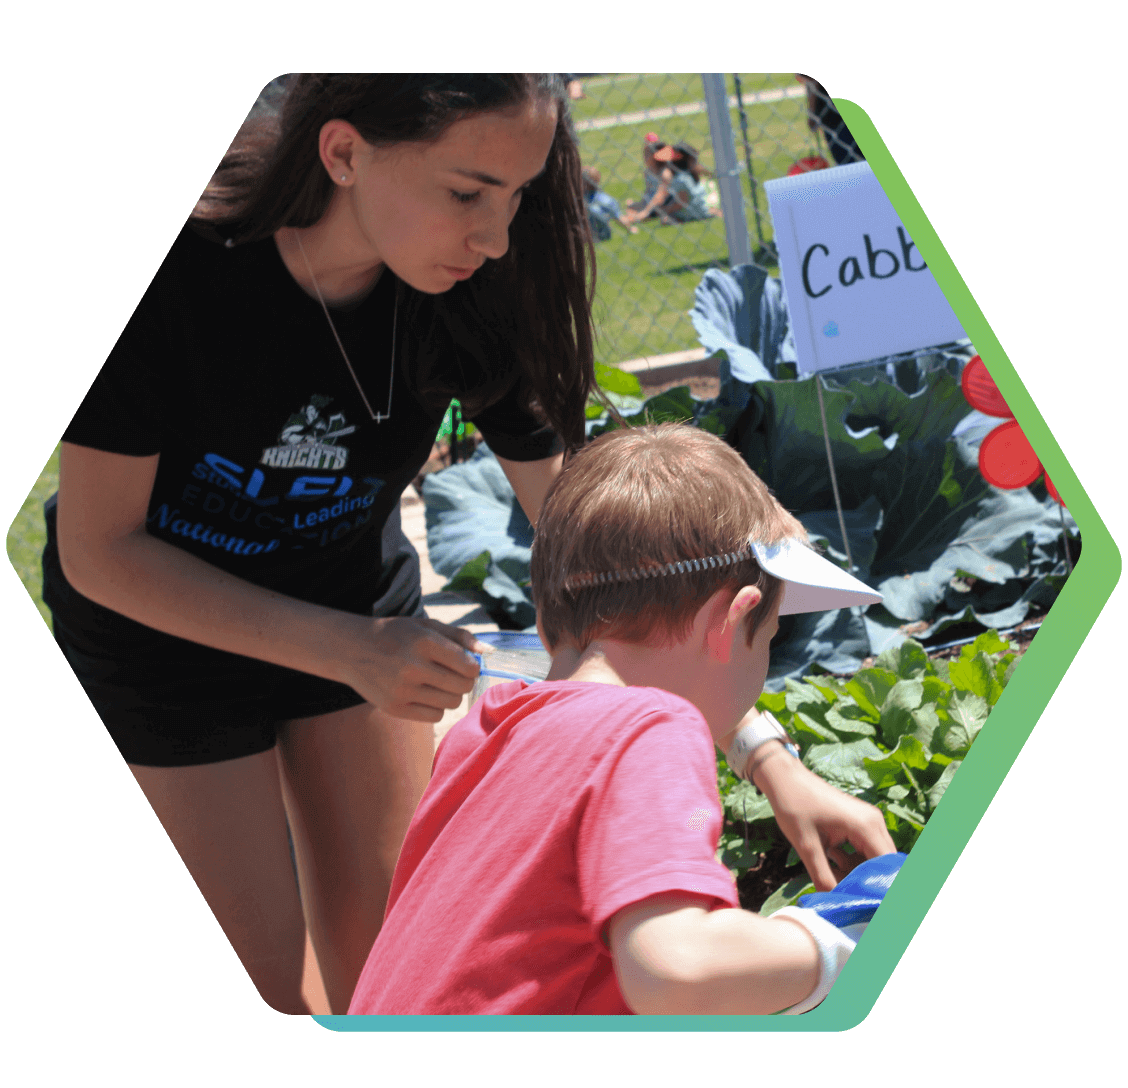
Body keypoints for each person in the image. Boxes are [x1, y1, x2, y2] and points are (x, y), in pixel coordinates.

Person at [42, 74, 603, 1016]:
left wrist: (748, 737)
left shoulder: (480, 281)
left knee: (402, 971)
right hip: (163, 638)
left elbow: (582, 532)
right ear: (343, 153)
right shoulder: (181, 268)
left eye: (519, 196)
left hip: (351, 601)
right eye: (468, 193)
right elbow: (101, 550)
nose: (497, 237)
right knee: (272, 989)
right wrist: (349, 650)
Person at [348, 423, 898, 1015]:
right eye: (769, 634)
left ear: (545, 621)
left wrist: (771, 763)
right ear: (733, 619)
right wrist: (841, 940)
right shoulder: (651, 726)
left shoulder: (483, 732)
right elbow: (676, 970)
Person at [624, 141, 720, 225]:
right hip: (699, 209)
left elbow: (681, 202)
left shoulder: (680, 178)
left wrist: (663, 211)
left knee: (664, 218)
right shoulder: (688, 170)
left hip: (692, 212)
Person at [796, 75, 865, 165]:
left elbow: (810, 81)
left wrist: (812, 112)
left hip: (832, 116)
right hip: (833, 115)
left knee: (846, 161)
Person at [582, 166, 639, 240]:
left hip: (592, 236)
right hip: (601, 235)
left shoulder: (580, 200)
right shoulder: (606, 199)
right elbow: (619, 217)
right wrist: (631, 228)